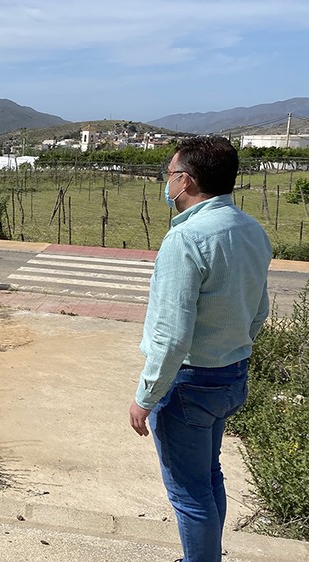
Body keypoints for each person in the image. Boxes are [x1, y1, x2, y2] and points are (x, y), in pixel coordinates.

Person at [129, 136, 271, 562]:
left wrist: (145, 397)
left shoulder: (186, 239)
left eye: (169, 175)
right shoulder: (251, 230)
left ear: (185, 180)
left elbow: (172, 336)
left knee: (190, 494)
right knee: (209, 477)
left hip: (188, 383)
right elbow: (259, 311)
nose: (166, 183)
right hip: (230, 374)